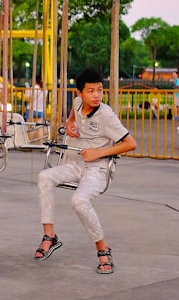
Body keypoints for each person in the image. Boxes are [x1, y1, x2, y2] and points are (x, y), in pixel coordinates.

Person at [34, 68, 137, 274]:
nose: (96, 95)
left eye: (99, 90)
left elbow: (130, 143)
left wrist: (98, 153)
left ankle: (103, 248)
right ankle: (50, 236)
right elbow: (73, 115)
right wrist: (69, 122)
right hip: (76, 164)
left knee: (79, 201)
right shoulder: (77, 103)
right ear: (79, 93)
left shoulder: (106, 114)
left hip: (97, 169)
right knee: (44, 176)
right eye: (91, 91)